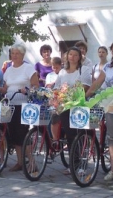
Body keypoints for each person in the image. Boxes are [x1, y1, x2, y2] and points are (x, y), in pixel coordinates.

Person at [0, 43, 39, 172]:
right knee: (13, 134)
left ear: (22, 55)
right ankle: (20, 162)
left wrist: (28, 89)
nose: (14, 56)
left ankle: (31, 162)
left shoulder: (28, 68)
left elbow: (35, 85)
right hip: (9, 104)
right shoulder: (8, 69)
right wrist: (0, 89)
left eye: (17, 53)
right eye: (12, 53)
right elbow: (6, 88)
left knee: (23, 134)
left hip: (23, 105)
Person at [54, 46, 91, 175]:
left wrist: (70, 91)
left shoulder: (84, 70)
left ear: (79, 57)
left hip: (79, 106)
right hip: (65, 107)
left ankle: (83, 165)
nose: (73, 57)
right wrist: (57, 95)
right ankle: (73, 163)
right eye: (71, 55)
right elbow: (57, 87)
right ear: (67, 56)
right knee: (70, 136)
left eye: (76, 55)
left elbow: (85, 87)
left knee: (80, 134)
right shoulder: (62, 72)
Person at [86, 43, 113, 181]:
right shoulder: (108, 67)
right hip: (110, 105)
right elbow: (97, 83)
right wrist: (86, 95)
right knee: (111, 138)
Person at [45, 57, 62, 142]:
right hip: (51, 99)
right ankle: (52, 139)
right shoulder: (50, 75)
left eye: (56, 67)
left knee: (57, 120)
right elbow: (47, 86)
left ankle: (57, 139)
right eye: (53, 67)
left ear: (60, 66)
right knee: (50, 121)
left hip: (60, 100)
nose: (55, 69)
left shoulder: (62, 74)